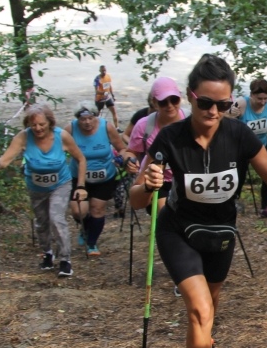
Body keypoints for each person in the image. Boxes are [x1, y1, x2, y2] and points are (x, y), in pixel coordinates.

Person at [131, 54, 267, 348]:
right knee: (199, 308)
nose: (213, 111)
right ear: (191, 97)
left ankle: (204, 342)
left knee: (212, 305)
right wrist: (148, 185)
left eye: (222, 104)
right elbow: (136, 198)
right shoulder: (170, 138)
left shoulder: (238, 134)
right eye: (205, 102)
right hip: (179, 231)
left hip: (221, 234)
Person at [0, 104, 88, 278]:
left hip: (60, 184)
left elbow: (80, 158)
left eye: (42, 124)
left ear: (49, 122)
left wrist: (80, 186)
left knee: (56, 218)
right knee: (42, 223)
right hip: (36, 188)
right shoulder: (24, 137)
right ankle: (48, 252)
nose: (38, 128)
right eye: (34, 125)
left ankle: (65, 259)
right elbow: (6, 159)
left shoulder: (61, 136)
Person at [68, 101, 127, 257]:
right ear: (77, 119)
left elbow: (121, 148)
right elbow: (57, 146)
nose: (87, 122)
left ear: (96, 116)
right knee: (78, 211)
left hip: (104, 176)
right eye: (83, 119)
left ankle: (91, 243)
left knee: (98, 209)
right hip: (78, 177)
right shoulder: (71, 129)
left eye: (90, 118)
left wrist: (121, 158)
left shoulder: (106, 127)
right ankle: (85, 228)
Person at [123, 77, 188, 210]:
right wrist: (130, 160)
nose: (170, 105)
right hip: (158, 181)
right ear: (154, 102)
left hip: (186, 178)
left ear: (180, 98)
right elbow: (131, 151)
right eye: (163, 102)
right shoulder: (144, 125)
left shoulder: (190, 120)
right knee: (163, 210)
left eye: (174, 100)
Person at [230, 77, 267, 218]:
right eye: (259, 98)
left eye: (265, 98)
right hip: (241, 147)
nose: (263, 102)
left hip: (261, 145)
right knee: (238, 177)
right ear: (252, 95)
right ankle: (233, 203)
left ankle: (266, 207)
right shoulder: (241, 104)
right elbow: (223, 119)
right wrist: (230, 115)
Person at [93, 64, 119, 129]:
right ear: (99, 71)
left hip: (107, 98)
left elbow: (109, 86)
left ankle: (117, 128)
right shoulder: (97, 79)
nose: (104, 72)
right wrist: (104, 93)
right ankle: (95, 128)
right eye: (102, 71)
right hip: (100, 99)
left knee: (114, 112)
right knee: (97, 115)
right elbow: (96, 91)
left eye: (105, 70)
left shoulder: (108, 76)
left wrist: (112, 95)